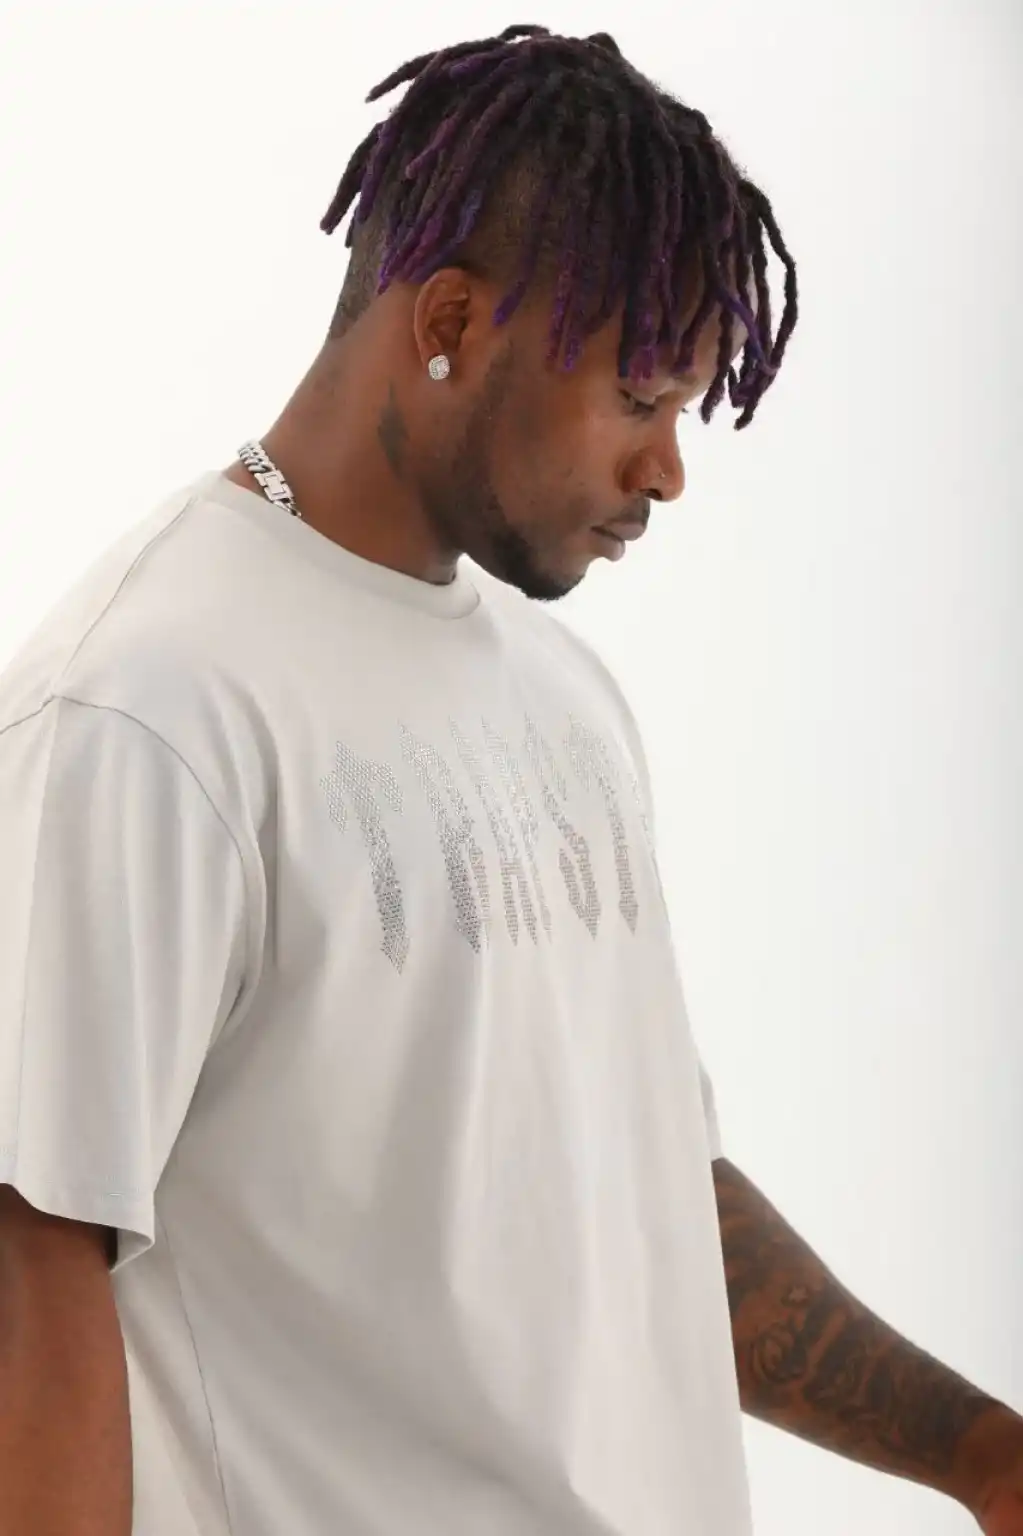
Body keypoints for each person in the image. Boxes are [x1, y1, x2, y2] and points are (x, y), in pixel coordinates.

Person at [0, 23, 1019, 1536]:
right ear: (452, 321)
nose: (668, 471)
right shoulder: (146, 710)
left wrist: (981, 1454)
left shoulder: (565, 699)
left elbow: (653, 1197)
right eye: (640, 399)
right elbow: (35, 1270)